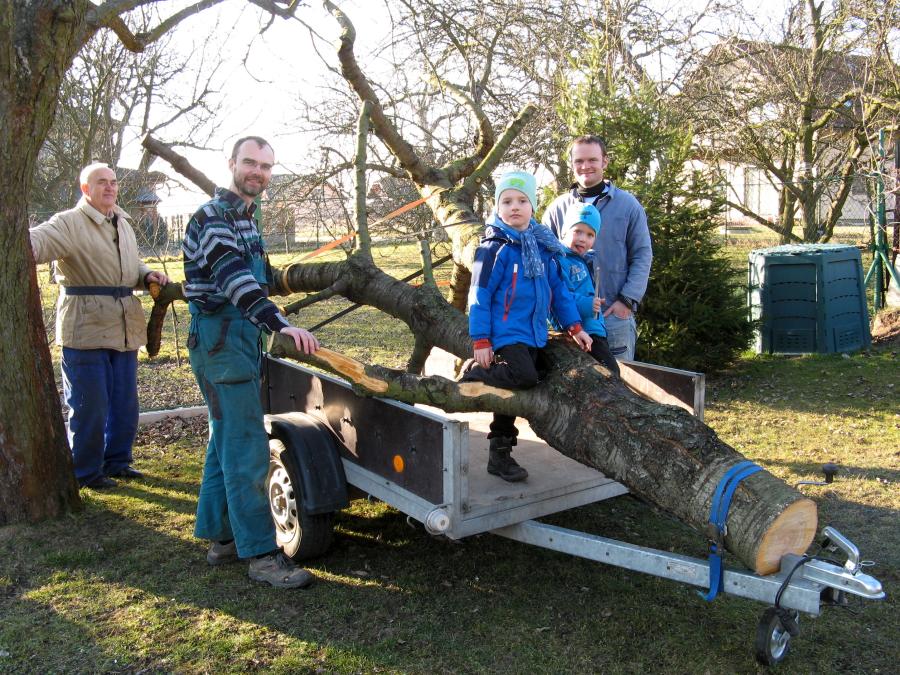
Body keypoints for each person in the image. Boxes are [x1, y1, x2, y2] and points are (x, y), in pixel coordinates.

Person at [182, 136, 320, 589]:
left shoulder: (246, 220)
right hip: (222, 344)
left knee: (225, 439)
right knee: (246, 449)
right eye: (249, 163)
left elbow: (255, 275)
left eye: (265, 166)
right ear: (231, 164)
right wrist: (280, 325)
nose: (257, 172)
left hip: (236, 342)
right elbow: (236, 280)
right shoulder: (213, 217)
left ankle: (221, 538)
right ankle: (262, 555)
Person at [29, 163, 169, 490]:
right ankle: (86, 472)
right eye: (101, 183)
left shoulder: (121, 222)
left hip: (123, 326)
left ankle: (117, 462)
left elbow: (129, 263)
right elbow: (36, 242)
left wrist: (146, 274)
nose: (109, 188)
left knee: (124, 404)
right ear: (85, 189)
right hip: (86, 328)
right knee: (89, 406)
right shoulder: (69, 223)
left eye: (113, 182)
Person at [462, 170, 592, 482]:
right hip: (505, 331)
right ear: (497, 207)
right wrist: (481, 341)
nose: (514, 207)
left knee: (518, 385)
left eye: (522, 200)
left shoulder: (545, 248)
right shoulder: (491, 248)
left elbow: (558, 292)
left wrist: (575, 327)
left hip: (534, 332)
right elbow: (478, 295)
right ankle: (477, 372)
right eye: (506, 201)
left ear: (533, 206)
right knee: (523, 376)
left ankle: (500, 455)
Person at [542, 135, 652, 361]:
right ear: (571, 164)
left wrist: (627, 301)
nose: (585, 166)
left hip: (614, 316)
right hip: (566, 321)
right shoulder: (556, 209)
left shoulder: (628, 205)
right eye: (579, 161)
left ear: (605, 162)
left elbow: (642, 254)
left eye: (592, 160)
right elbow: (543, 261)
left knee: (620, 389)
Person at [554, 203, 621, 377]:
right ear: (564, 232)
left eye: (590, 234)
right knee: (611, 373)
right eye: (578, 231)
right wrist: (587, 304)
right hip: (582, 331)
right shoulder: (560, 260)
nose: (583, 239)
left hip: (594, 329)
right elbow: (561, 296)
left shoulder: (584, 261)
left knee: (608, 373)